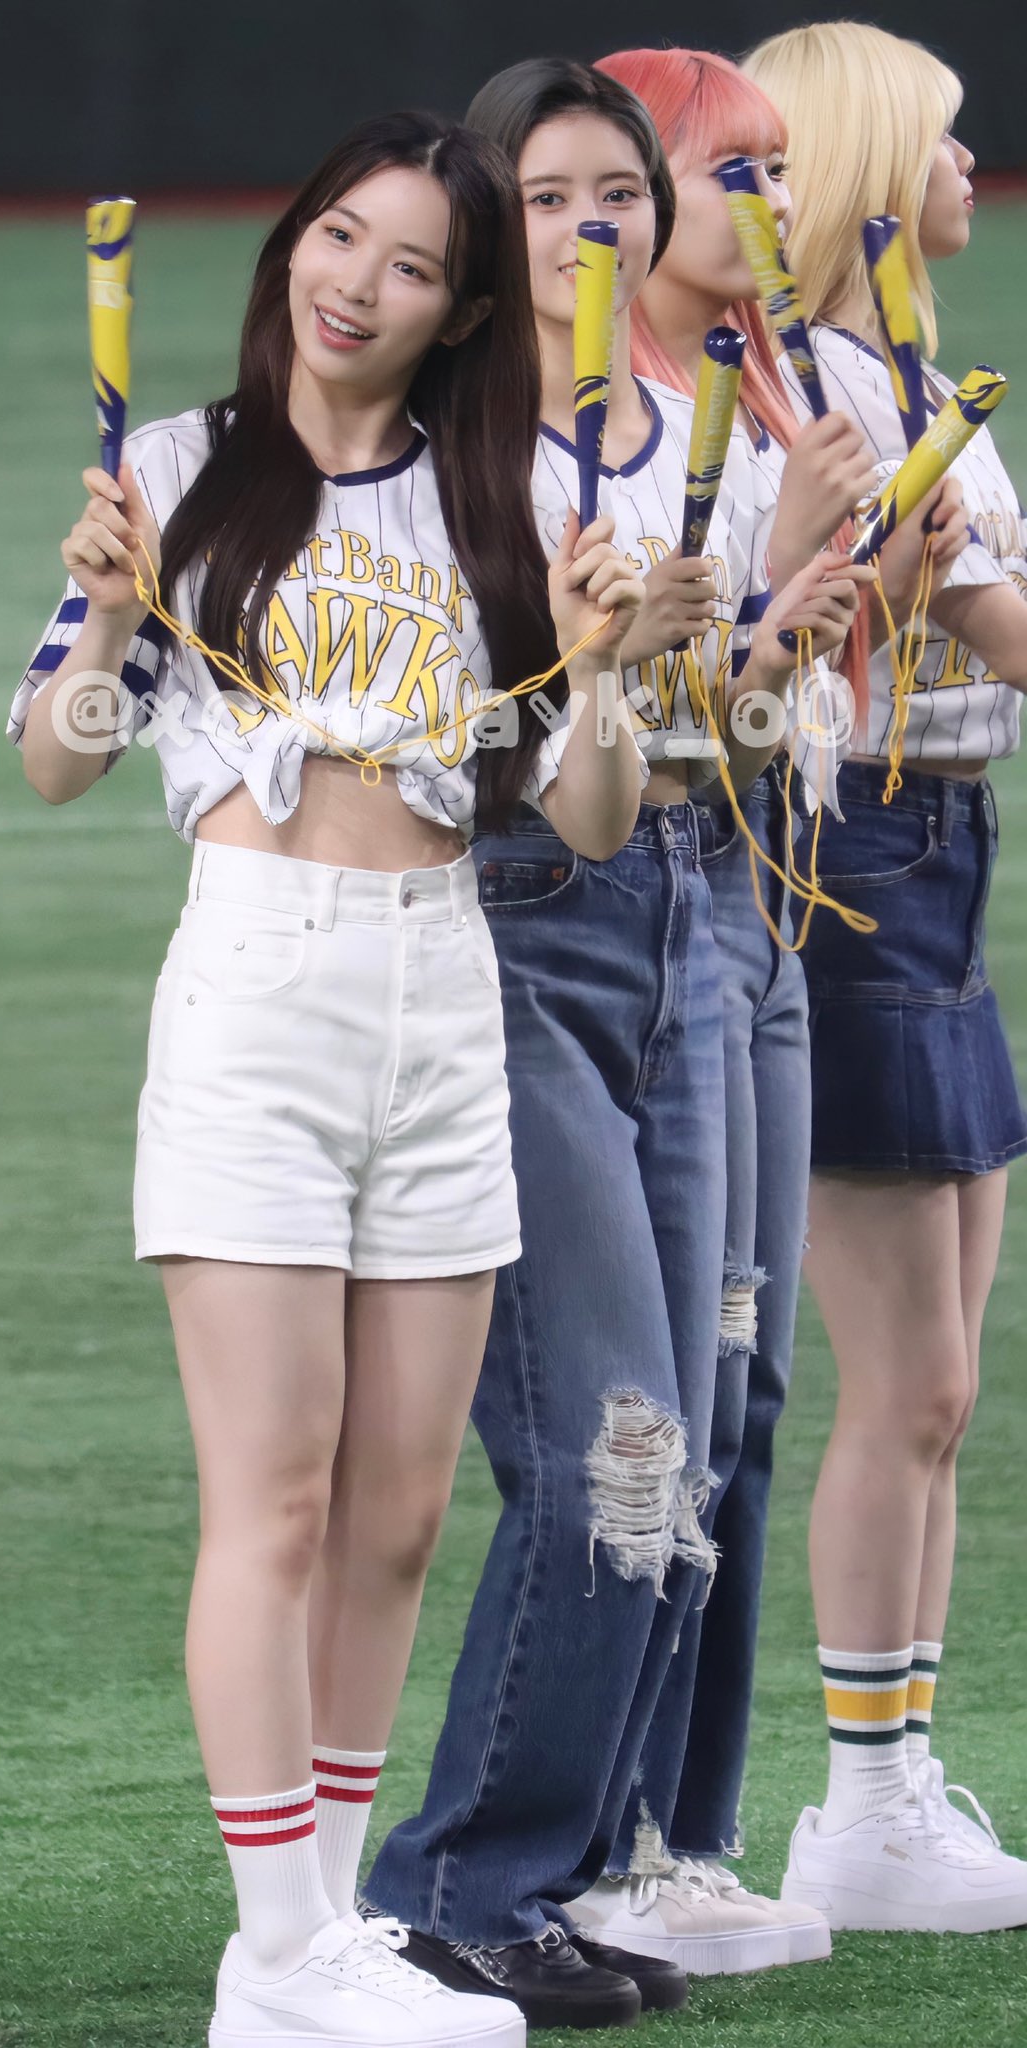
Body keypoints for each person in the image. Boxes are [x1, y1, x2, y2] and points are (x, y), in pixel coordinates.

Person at [6, 110, 649, 2048]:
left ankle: (332, 1934)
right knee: (273, 1501)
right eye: (340, 239)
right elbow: (57, 753)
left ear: (462, 312)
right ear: (295, 241)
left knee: (393, 1517)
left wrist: (604, 667)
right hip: (257, 988)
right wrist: (108, 604)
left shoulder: (508, 498)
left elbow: (594, 817)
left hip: (444, 991)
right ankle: (275, 1950)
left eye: (413, 266)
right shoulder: (177, 469)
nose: (359, 286)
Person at [364, 59, 870, 2026]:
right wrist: (638, 657)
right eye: (553, 194)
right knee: (616, 1446)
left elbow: (707, 730)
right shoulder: (442, 450)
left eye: (621, 193)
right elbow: (461, 751)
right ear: (491, 222)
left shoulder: (691, 427)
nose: (598, 226)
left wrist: (765, 630)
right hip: (521, 931)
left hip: (690, 918)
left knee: (697, 1429)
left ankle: (593, 1859)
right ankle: (459, 1882)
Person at [565, 42, 967, 1972]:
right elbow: (643, 704)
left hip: (771, 886)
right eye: (738, 173)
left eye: (783, 174)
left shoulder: (776, 379)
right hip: (659, 902)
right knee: (653, 1412)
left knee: (750, 1395)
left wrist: (872, 580)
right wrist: (805, 559)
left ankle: (696, 1832)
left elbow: (783, 685)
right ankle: (604, 1836)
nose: (777, 207)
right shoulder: (611, 423)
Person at [741, 19, 1027, 1932]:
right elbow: (994, 625)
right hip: (862, 853)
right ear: (865, 166)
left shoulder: (901, 374)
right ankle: (859, 1805)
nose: (968, 166)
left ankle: (901, 1779)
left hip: (934, 849)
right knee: (907, 1381)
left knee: (943, 1387)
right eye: (941, 138)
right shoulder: (825, 390)